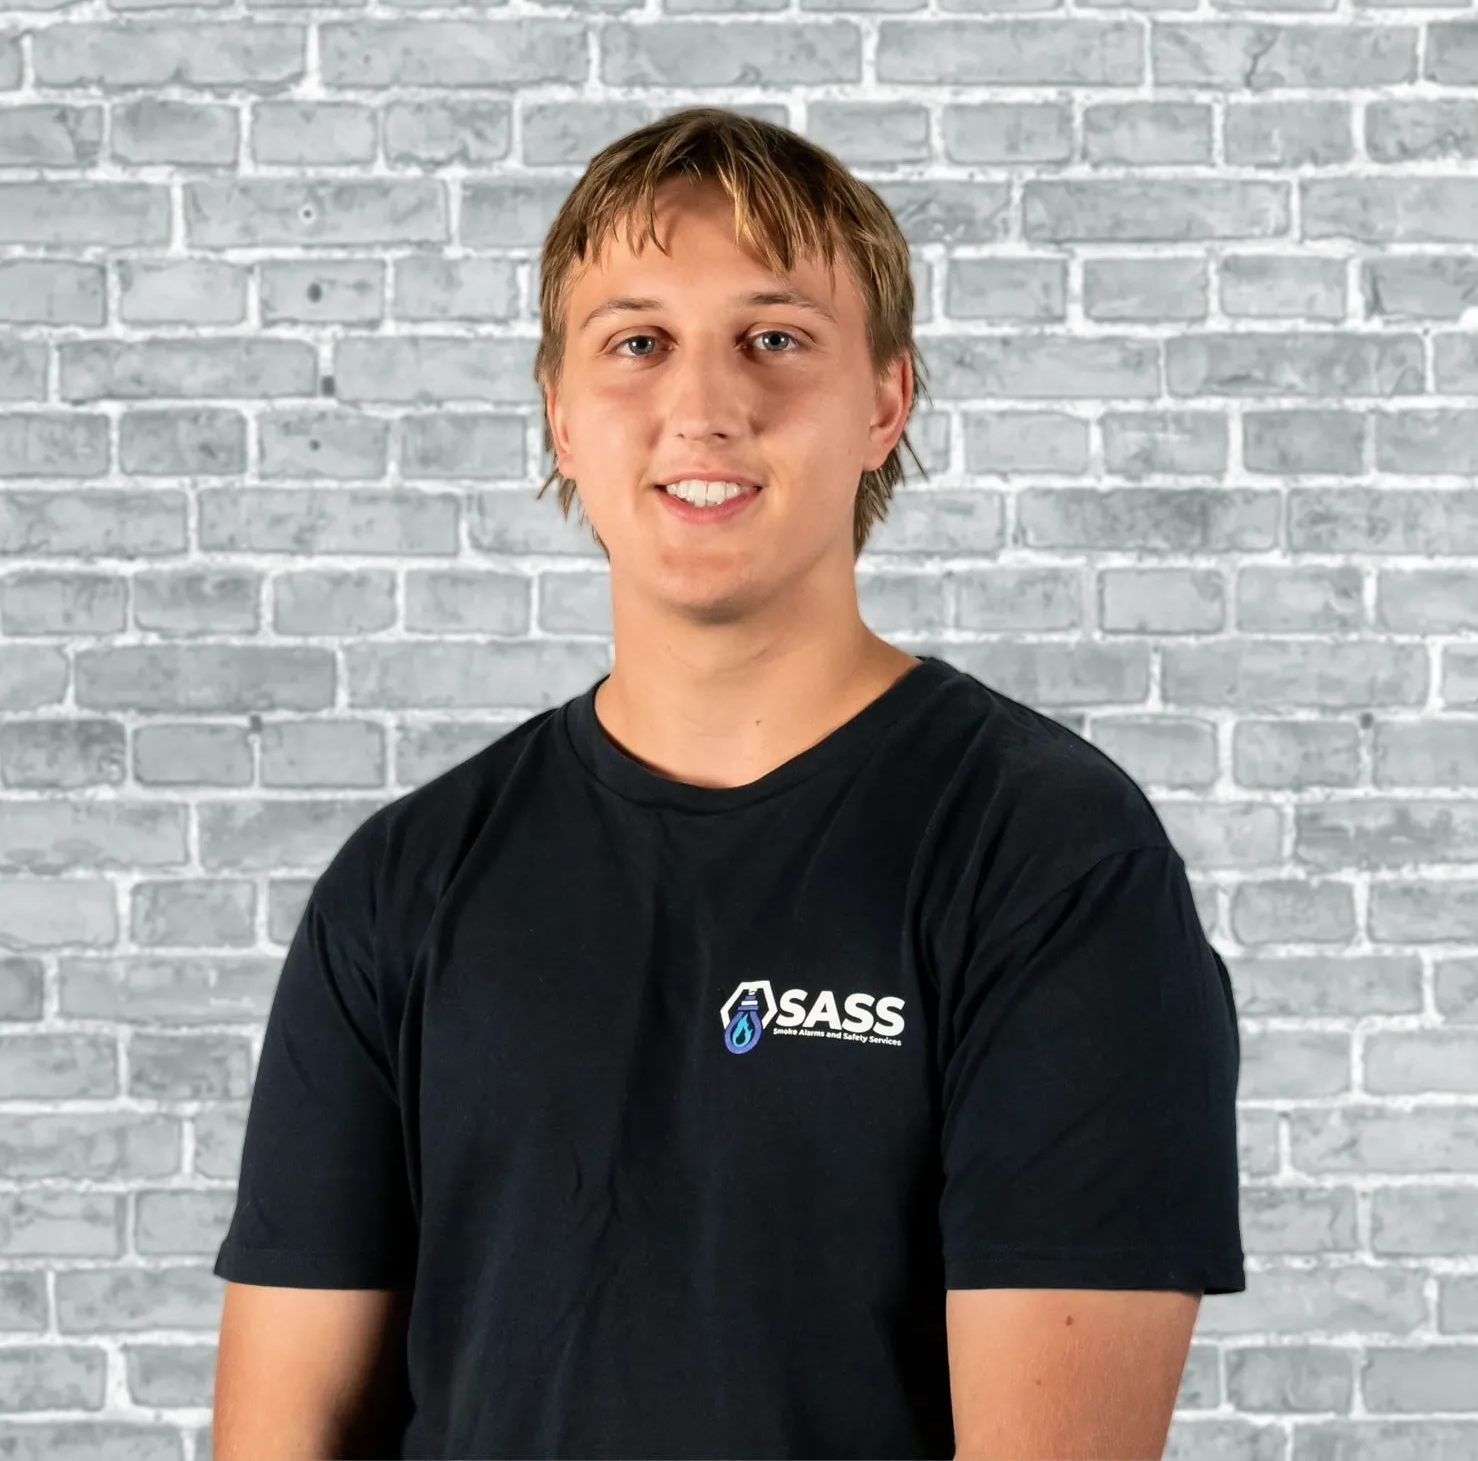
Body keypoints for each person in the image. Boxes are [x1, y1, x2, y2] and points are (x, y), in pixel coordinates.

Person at [211, 107, 1245, 1460]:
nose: (703, 408)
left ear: (885, 401)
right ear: (559, 413)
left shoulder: (1051, 864)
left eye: (775, 338)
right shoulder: (401, 886)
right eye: (637, 342)